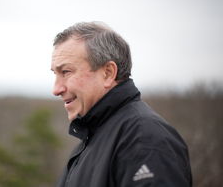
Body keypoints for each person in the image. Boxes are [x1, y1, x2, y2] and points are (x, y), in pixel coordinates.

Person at [51, 21, 192, 186]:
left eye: (66, 72)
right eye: (55, 74)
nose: (56, 89)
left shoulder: (145, 139)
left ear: (108, 73)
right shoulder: (89, 143)